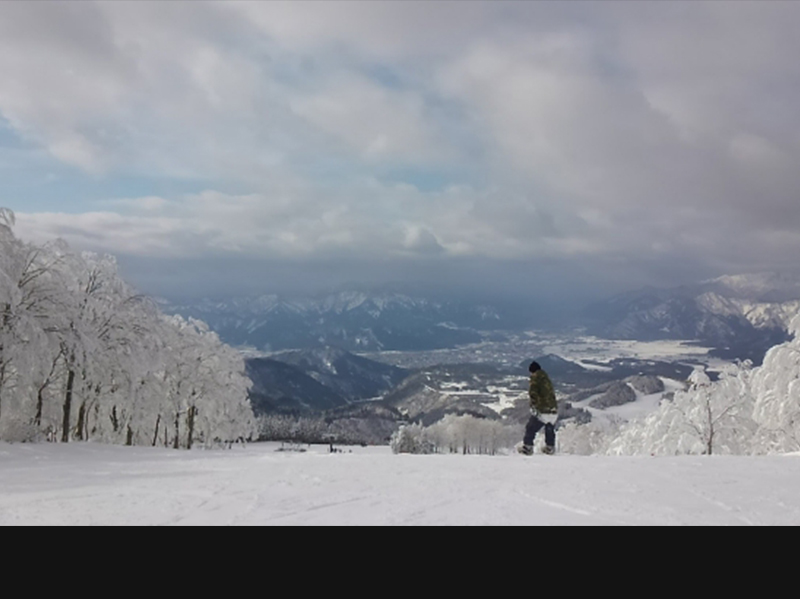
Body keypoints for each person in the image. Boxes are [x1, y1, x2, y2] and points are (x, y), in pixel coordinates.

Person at [518, 361, 558, 456]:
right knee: (549, 428)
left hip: (542, 409)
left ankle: (527, 447)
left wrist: (534, 406)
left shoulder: (535, 379)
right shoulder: (546, 379)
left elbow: (533, 394)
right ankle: (550, 447)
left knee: (530, 427)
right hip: (553, 409)